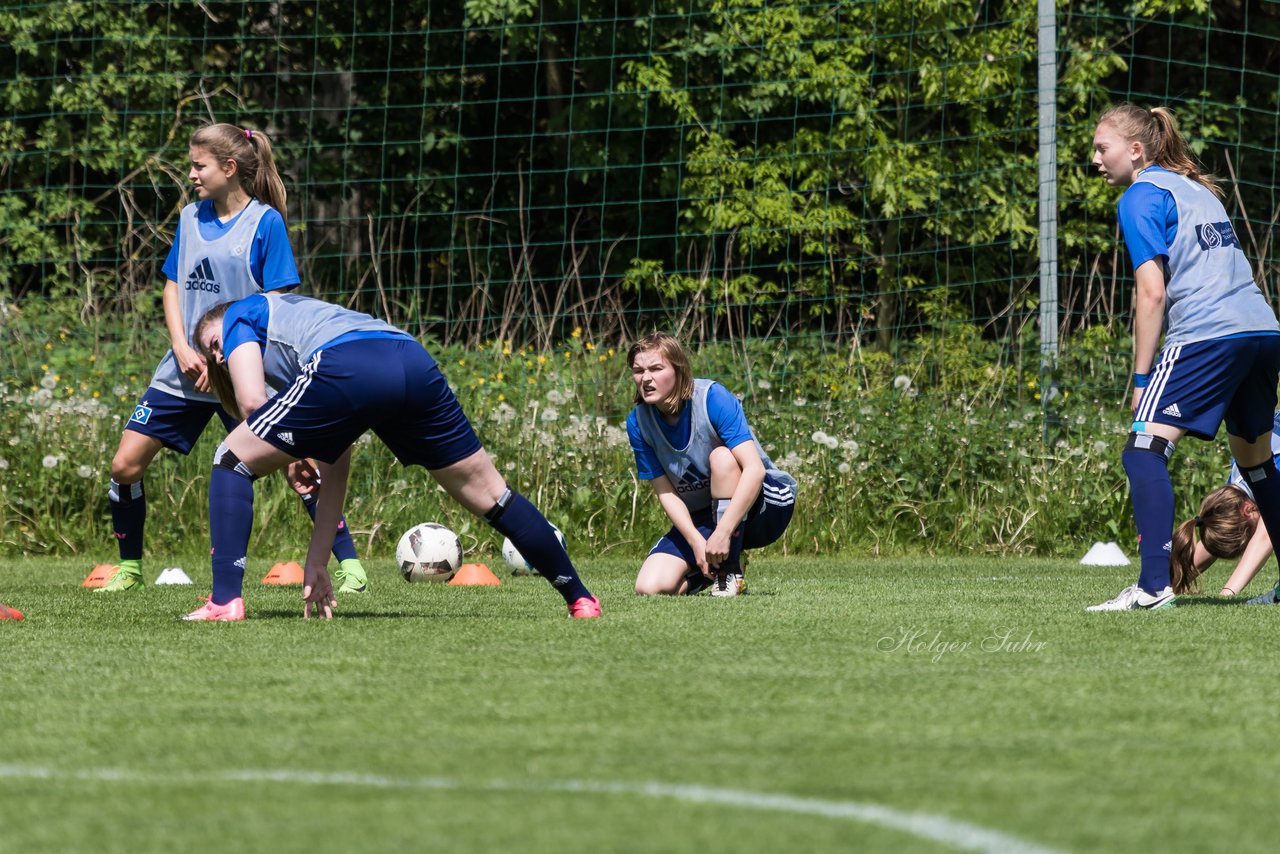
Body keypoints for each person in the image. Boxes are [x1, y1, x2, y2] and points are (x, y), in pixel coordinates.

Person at [186, 292, 602, 621]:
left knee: (229, 458)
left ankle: (224, 601)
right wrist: (316, 560)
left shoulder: (242, 312)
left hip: (349, 361)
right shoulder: (308, 337)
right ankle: (580, 599)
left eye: (215, 344)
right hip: (410, 358)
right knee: (491, 493)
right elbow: (337, 459)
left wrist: (290, 452)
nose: (219, 356)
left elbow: (252, 403)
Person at [103, 123, 368, 594]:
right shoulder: (189, 218)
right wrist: (184, 347)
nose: (191, 174)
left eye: (198, 166)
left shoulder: (265, 223)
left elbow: (278, 306)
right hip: (185, 369)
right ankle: (129, 569)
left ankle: (349, 567)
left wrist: (234, 355)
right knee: (124, 466)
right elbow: (172, 286)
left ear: (229, 169)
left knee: (297, 467)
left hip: (241, 371)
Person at [1086, 104, 1280, 611]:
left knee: (1142, 449)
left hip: (1209, 335)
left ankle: (1152, 588)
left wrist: (1140, 376)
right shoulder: (1198, 189)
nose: (1095, 159)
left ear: (1136, 150)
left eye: (1101, 148)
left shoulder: (1140, 195)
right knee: (1258, 469)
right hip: (1262, 330)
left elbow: (1151, 293)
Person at [626, 332, 796, 597]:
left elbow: (754, 469)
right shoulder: (638, 422)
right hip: (707, 514)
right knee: (649, 587)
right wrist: (696, 541)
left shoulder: (712, 397)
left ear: (679, 370)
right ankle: (715, 570)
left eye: (656, 368)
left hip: (765, 503)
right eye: (638, 371)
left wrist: (724, 531)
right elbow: (665, 491)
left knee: (722, 457)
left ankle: (729, 571)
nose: (646, 378)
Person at [1169, 411, 1280, 599]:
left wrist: (1227, 594)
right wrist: (1172, 582)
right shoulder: (1238, 488)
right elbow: (1221, 530)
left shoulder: (1268, 473)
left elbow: (1265, 536)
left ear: (1247, 510)